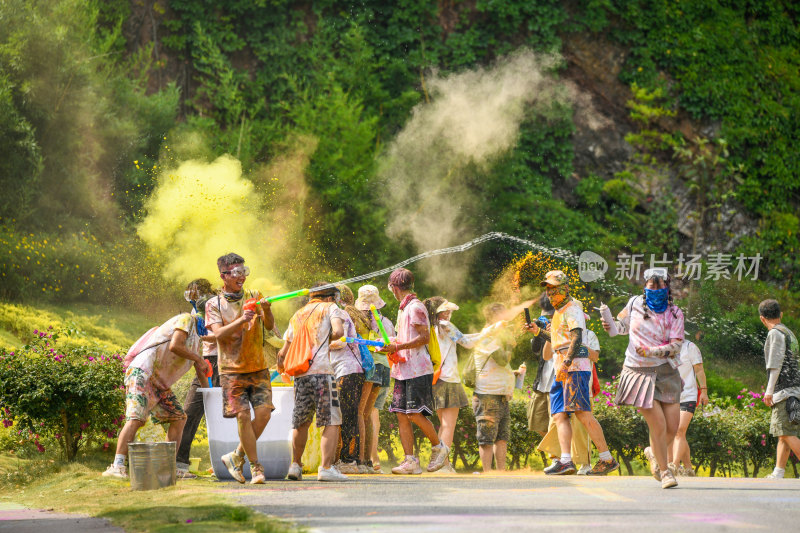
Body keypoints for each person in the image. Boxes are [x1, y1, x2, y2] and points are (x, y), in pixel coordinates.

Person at [103, 297, 211, 479]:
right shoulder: (186, 319)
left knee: (178, 417)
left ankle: (166, 467)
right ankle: (117, 465)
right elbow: (176, 345)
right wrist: (199, 359)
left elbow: (200, 368)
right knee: (137, 418)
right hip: (143, 372)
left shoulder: (199, 340)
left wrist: (210, 395)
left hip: (159, 383)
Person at [528, 270, 619, 476]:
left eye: (554, 288)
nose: (550, 293)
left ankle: (607, 459)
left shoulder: (573, 309)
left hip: (574, 367)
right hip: (561, 367)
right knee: (559, 415)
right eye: (548, 289)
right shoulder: (558, 312)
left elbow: (577, 337)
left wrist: (567, 362)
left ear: (565, 288)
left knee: (582, 414)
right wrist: (537, 331)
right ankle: (566, 461)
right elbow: (558, 341)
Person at [601, 267, 683, 488]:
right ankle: (665, 472)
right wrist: (610, 325)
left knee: (672, 428)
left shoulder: (675, 313)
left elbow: (676, 345)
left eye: (659, 285)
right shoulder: (634, 303)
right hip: (637, 371)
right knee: (658, 425)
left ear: (667, 287)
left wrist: (653, 351)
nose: (655, 289)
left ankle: (654, 454)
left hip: (666, 371)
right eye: (651, 285)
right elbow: (620, 328)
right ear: (645, 286)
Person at [205, 253, 276, 485]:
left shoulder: (254, 295)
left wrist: (267, 309)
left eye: (244, 271)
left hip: (258, 366)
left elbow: (269, 326)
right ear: (223, 276)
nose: (241, 277)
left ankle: (236, 455)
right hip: (231, 370)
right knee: (243, 417)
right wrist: (242, 319)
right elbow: (216, 334)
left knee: (264, 414)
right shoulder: (213, 304)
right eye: (236, 273)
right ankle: (256, 468)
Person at [381, 268, 450, 474]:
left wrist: (398, 347)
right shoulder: (403, 309)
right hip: (402, 369)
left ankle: (440, 447)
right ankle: (410, 461)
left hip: (418, 370)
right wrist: (389, 344)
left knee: (414, 413)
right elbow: (404, 337)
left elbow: (423, 338)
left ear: (394, 288)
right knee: (402, 414)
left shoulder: (415, 307)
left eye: (391, 288)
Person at [278, 282, 347, 482]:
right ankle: (325, 467)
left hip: (300, 375)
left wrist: (282, 369)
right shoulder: (330, 308)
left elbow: (284, 351)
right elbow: (339, 332)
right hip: (323, 373)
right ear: (329, 297)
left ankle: (295, 466)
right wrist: (326, 339)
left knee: (301, 421)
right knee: (332, 420)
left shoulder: (297, 314)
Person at [537, 315, 601, 475]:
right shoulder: (556, 335)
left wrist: (575, 346)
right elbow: (546, 356)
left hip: (581, 382)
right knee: (556, 421)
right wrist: (549, 334)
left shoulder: (589, 334)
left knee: (580, 426)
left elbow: (595, 356)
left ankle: (584, 464)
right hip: (560, 382)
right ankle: (559, 460)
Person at [425, 296, 478, 473]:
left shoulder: (433, 327)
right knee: (448, 425)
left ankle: (442, 463)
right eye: (445, 311)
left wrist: (487, 332)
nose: (449, 313)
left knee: (443, 424)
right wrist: (491, 332)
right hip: (449, 379)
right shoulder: (445, 325)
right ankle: (442, 465)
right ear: (438, 313)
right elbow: (467, 343)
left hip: (437, 378)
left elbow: (462, 338)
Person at [175, 279, 218, 479]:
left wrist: (212, 338)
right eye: (189, 293)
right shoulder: (193, 313)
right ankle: (179, 464)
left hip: (223, 362)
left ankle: (225, 461)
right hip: (202, 362)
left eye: (195, 292)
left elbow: (230, 333)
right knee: (190, 413)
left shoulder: (218, 304)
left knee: (225, 414)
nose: (192, 297)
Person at [471, 303, 516, 472]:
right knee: (487, 438)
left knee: (501, 438)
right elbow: (503, 360)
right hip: (488, 395)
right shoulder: (487, 337)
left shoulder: (497, 337)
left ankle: (501, 472)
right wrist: (510, 344)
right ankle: (488, 473)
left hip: (500, 395)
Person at [758, 299, 800, 480]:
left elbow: (775, 365)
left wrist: (769, 391)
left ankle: (778, 472)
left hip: (784, 391)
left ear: (762, 319)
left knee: (785, 432)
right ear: (780, 315)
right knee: (784, 433)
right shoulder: (788, 332)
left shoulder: (775, 333)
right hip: (794, 389)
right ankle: (778, 472)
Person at [356, 284, 396, 474]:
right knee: (374, 415)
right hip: (384, 367)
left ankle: (366, 458)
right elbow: (393, 341)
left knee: (363, 412)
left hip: (368, 367)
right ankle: (375, 459)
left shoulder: (357, 322)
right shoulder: (385, 321)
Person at [329, 285, 365, 474]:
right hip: (346, 370)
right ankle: (349, 459)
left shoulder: (340, 314)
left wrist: (321, 344)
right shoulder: (339, 313)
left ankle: (348, 460)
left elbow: (340, 341)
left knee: (347, 415)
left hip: (348, 371)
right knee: (347, 415)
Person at [668, 339, 708, 476]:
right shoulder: (662, 346)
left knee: (679, 430)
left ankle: (673, 465)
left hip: (688, 395)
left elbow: (699, 369)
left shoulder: (690, 347)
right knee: (673, 432)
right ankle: (689, 468)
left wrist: (703, 391)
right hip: (669, 395)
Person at [527, 293, 555, 437]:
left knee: (557, 423)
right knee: (536, 422)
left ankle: (562, 457)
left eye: (550, 317)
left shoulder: (569, 326)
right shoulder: (542, 327)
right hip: (542, 383)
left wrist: (553, 333)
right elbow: (536, 351)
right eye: (545, 317)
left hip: (557, 383)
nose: (547, 320)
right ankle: (558, 456)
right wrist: (538, 332)